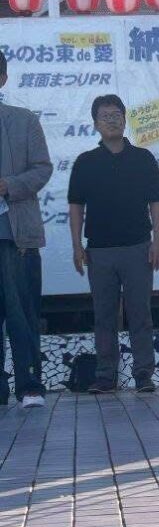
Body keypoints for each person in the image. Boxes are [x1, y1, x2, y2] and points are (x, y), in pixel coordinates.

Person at [67, 94, 159, 393]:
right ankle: (106, 376)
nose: (111, 120)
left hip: (138, 248)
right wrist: (77, 246)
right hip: (99, 251)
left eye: (116, 115)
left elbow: (156, 202)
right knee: (104, 316)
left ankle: (143, 374)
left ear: (124, 119)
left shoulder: (143, 158)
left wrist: (157, 242)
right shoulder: (85, 162)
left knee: (140, 314)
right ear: (95, 124)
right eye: (105, 116)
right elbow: (76, 206)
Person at [0, 51, 53, 409]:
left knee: (21, 313)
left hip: (14, 234)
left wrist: (9, 185)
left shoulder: (24, 120)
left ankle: (29, 385)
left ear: (2, 78)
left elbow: (42, 169)